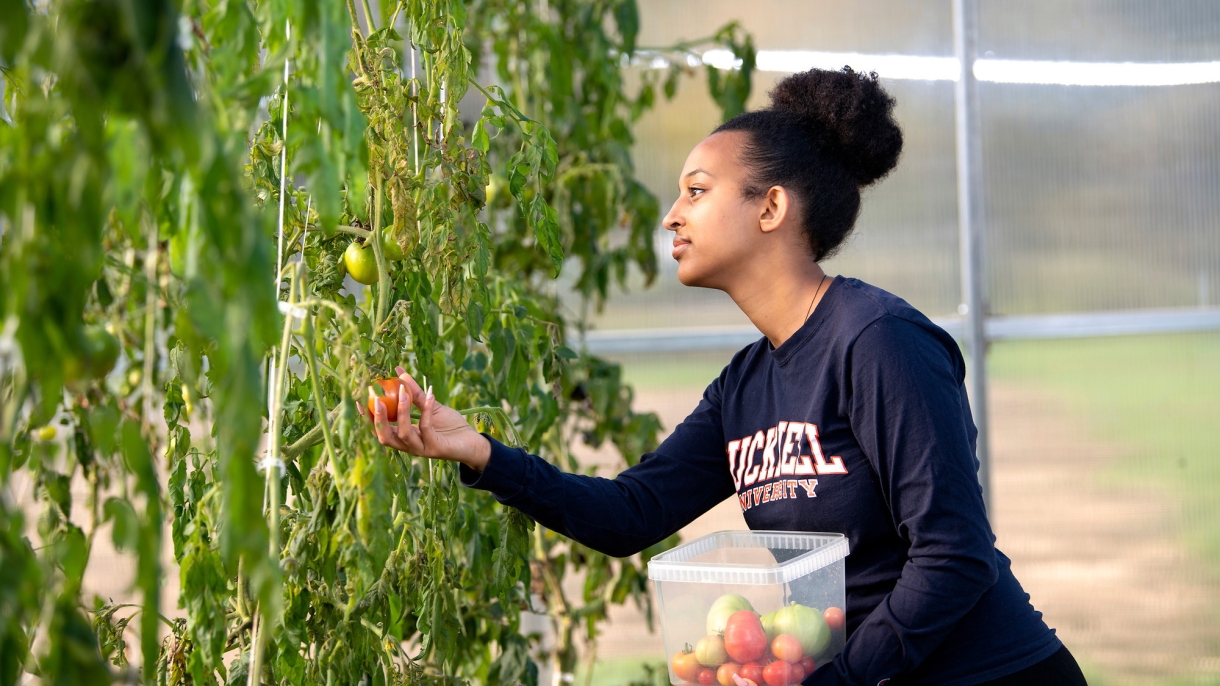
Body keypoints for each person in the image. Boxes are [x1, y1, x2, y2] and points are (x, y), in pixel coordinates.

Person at [369, 67, 1087, 686]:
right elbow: (630, 516)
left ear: (770, 206)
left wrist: (833, 680)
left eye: (697, 190)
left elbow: (953, 556)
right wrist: (479, 454)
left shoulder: (877, 341)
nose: (670, 216)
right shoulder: (745, 385)